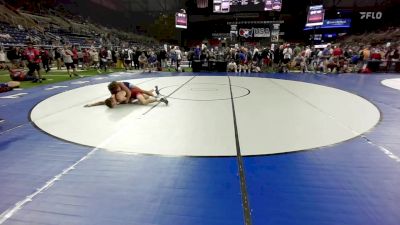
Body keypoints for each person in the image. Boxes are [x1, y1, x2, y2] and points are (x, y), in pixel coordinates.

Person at [84, 82, 167, 108]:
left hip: (132, 90)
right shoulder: (113, 94)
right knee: (146, 96)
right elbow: (101, 102)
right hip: (133, 95)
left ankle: (157, 97)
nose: (115, 105)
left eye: (114, 104)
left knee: (143, 93)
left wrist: (127, 100)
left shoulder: (120, 86)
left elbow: (129, 93)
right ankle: (153, 90)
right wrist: (90, 104)